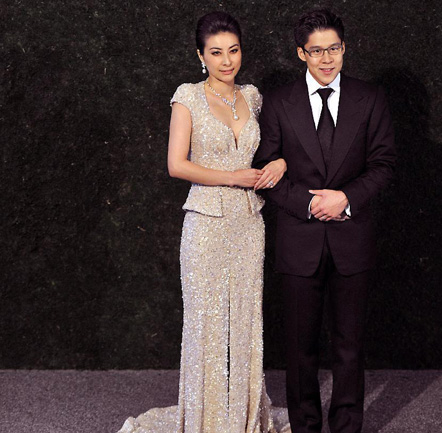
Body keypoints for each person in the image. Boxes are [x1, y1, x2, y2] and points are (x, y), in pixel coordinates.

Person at [117, 11, 290, 433]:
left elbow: (277, 148)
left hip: (249, 224)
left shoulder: (254, 97)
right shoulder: (188, 97)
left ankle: (243, 420)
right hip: (205, 224)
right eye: (216, 52)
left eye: (233, 50)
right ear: (201, 56)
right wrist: (232, 177)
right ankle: (205, 422)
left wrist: (281, 163)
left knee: (246, 322)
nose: (226, 61)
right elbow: (176, 165)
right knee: (206, 326)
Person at [253, 8, 396, 433]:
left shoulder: (370, 98)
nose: (327, 58)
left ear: (344, 48)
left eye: (334, 48)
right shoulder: (278, 102)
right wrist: (310, 204)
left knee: (349, 347)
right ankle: (306, 427)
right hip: (299, 242)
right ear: (301, 53)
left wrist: (346, 199)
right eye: (316, 51)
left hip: (353, 239)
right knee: (300, 351)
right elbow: (265, 170)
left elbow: (384, 165)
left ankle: (348, 426)